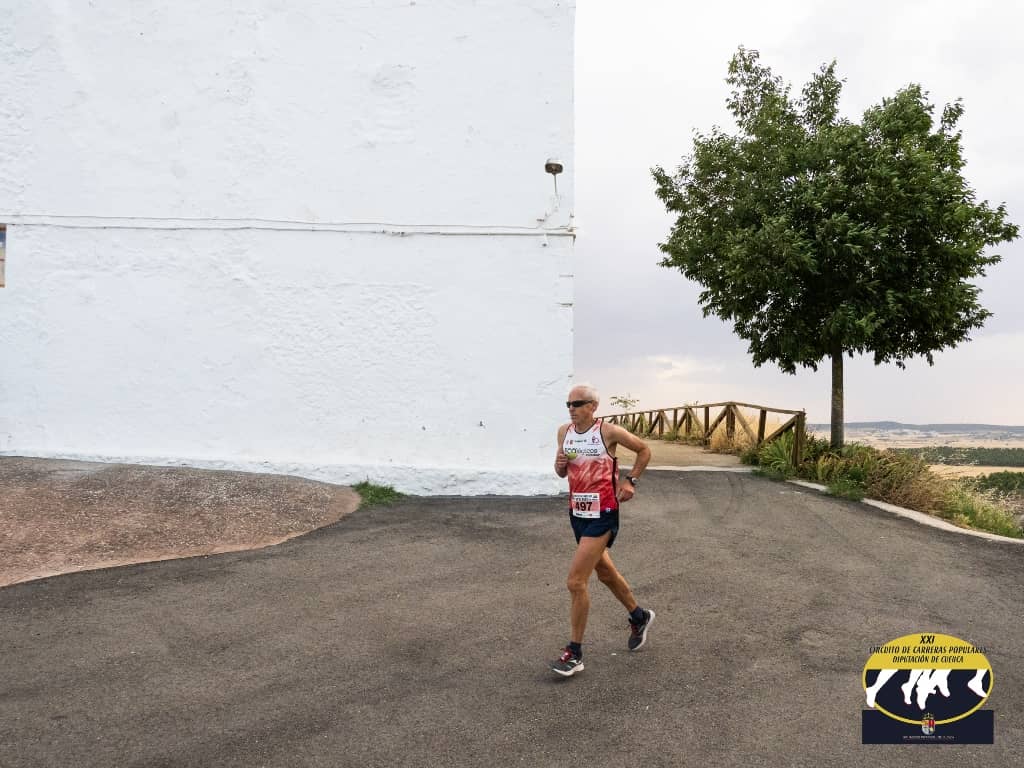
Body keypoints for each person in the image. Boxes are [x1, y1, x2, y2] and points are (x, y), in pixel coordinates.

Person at [549, 384, 654, 677]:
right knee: (606, 573)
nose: (571, 409)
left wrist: (631, 480)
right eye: (568, 404)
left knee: (575, 582)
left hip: (603, 514)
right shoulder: (564, 432)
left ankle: (574, 653)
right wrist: (559, 465)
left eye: (577, 403)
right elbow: (561, 471)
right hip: (578, 514)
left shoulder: (608, 432)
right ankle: (639, 616)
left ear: (593, 406)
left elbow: (644, 450)